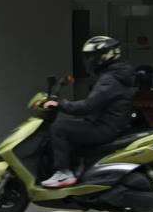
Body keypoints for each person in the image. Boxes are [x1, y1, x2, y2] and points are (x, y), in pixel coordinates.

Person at [39, 35, 137, 189]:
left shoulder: (110, 79)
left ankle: (63, 173)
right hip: (111, 123)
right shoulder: (117, 75)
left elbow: (87, 106)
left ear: (105, 56)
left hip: (104, 127)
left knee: (59, 128)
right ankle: (80, 169)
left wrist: (60, 103)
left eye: (93, 56)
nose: (90, 61)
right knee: (73, 127)